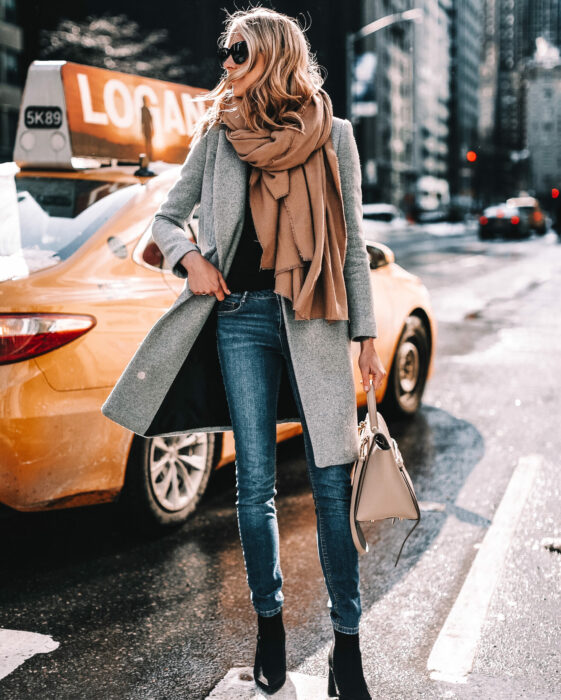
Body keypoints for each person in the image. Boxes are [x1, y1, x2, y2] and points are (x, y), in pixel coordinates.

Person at [157, 8, 385, 698]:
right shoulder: (219, 136)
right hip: (240, 320)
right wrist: (189, 257)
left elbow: (348, 246)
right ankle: (270, 625)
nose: (224, 62)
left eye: (237, 51)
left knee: (327, 484)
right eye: (224, 52)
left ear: (273, 56)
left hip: (313, 320)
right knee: (252, 486)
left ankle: (347, 642)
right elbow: (168, 217)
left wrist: (367, 336)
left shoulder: (333, 136)